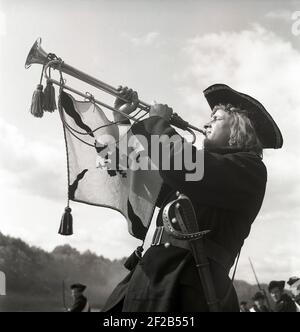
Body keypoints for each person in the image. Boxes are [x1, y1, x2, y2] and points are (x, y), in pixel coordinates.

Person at [102, 83, 283, 312]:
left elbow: (178, 162)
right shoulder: (199, 171)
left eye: (215, 118)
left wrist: (157, 122)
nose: (206, 123)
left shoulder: (250, 169)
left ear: (240, 127)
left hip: (185, 287)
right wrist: (121, 121)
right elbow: (131, 171)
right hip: (148, 279)